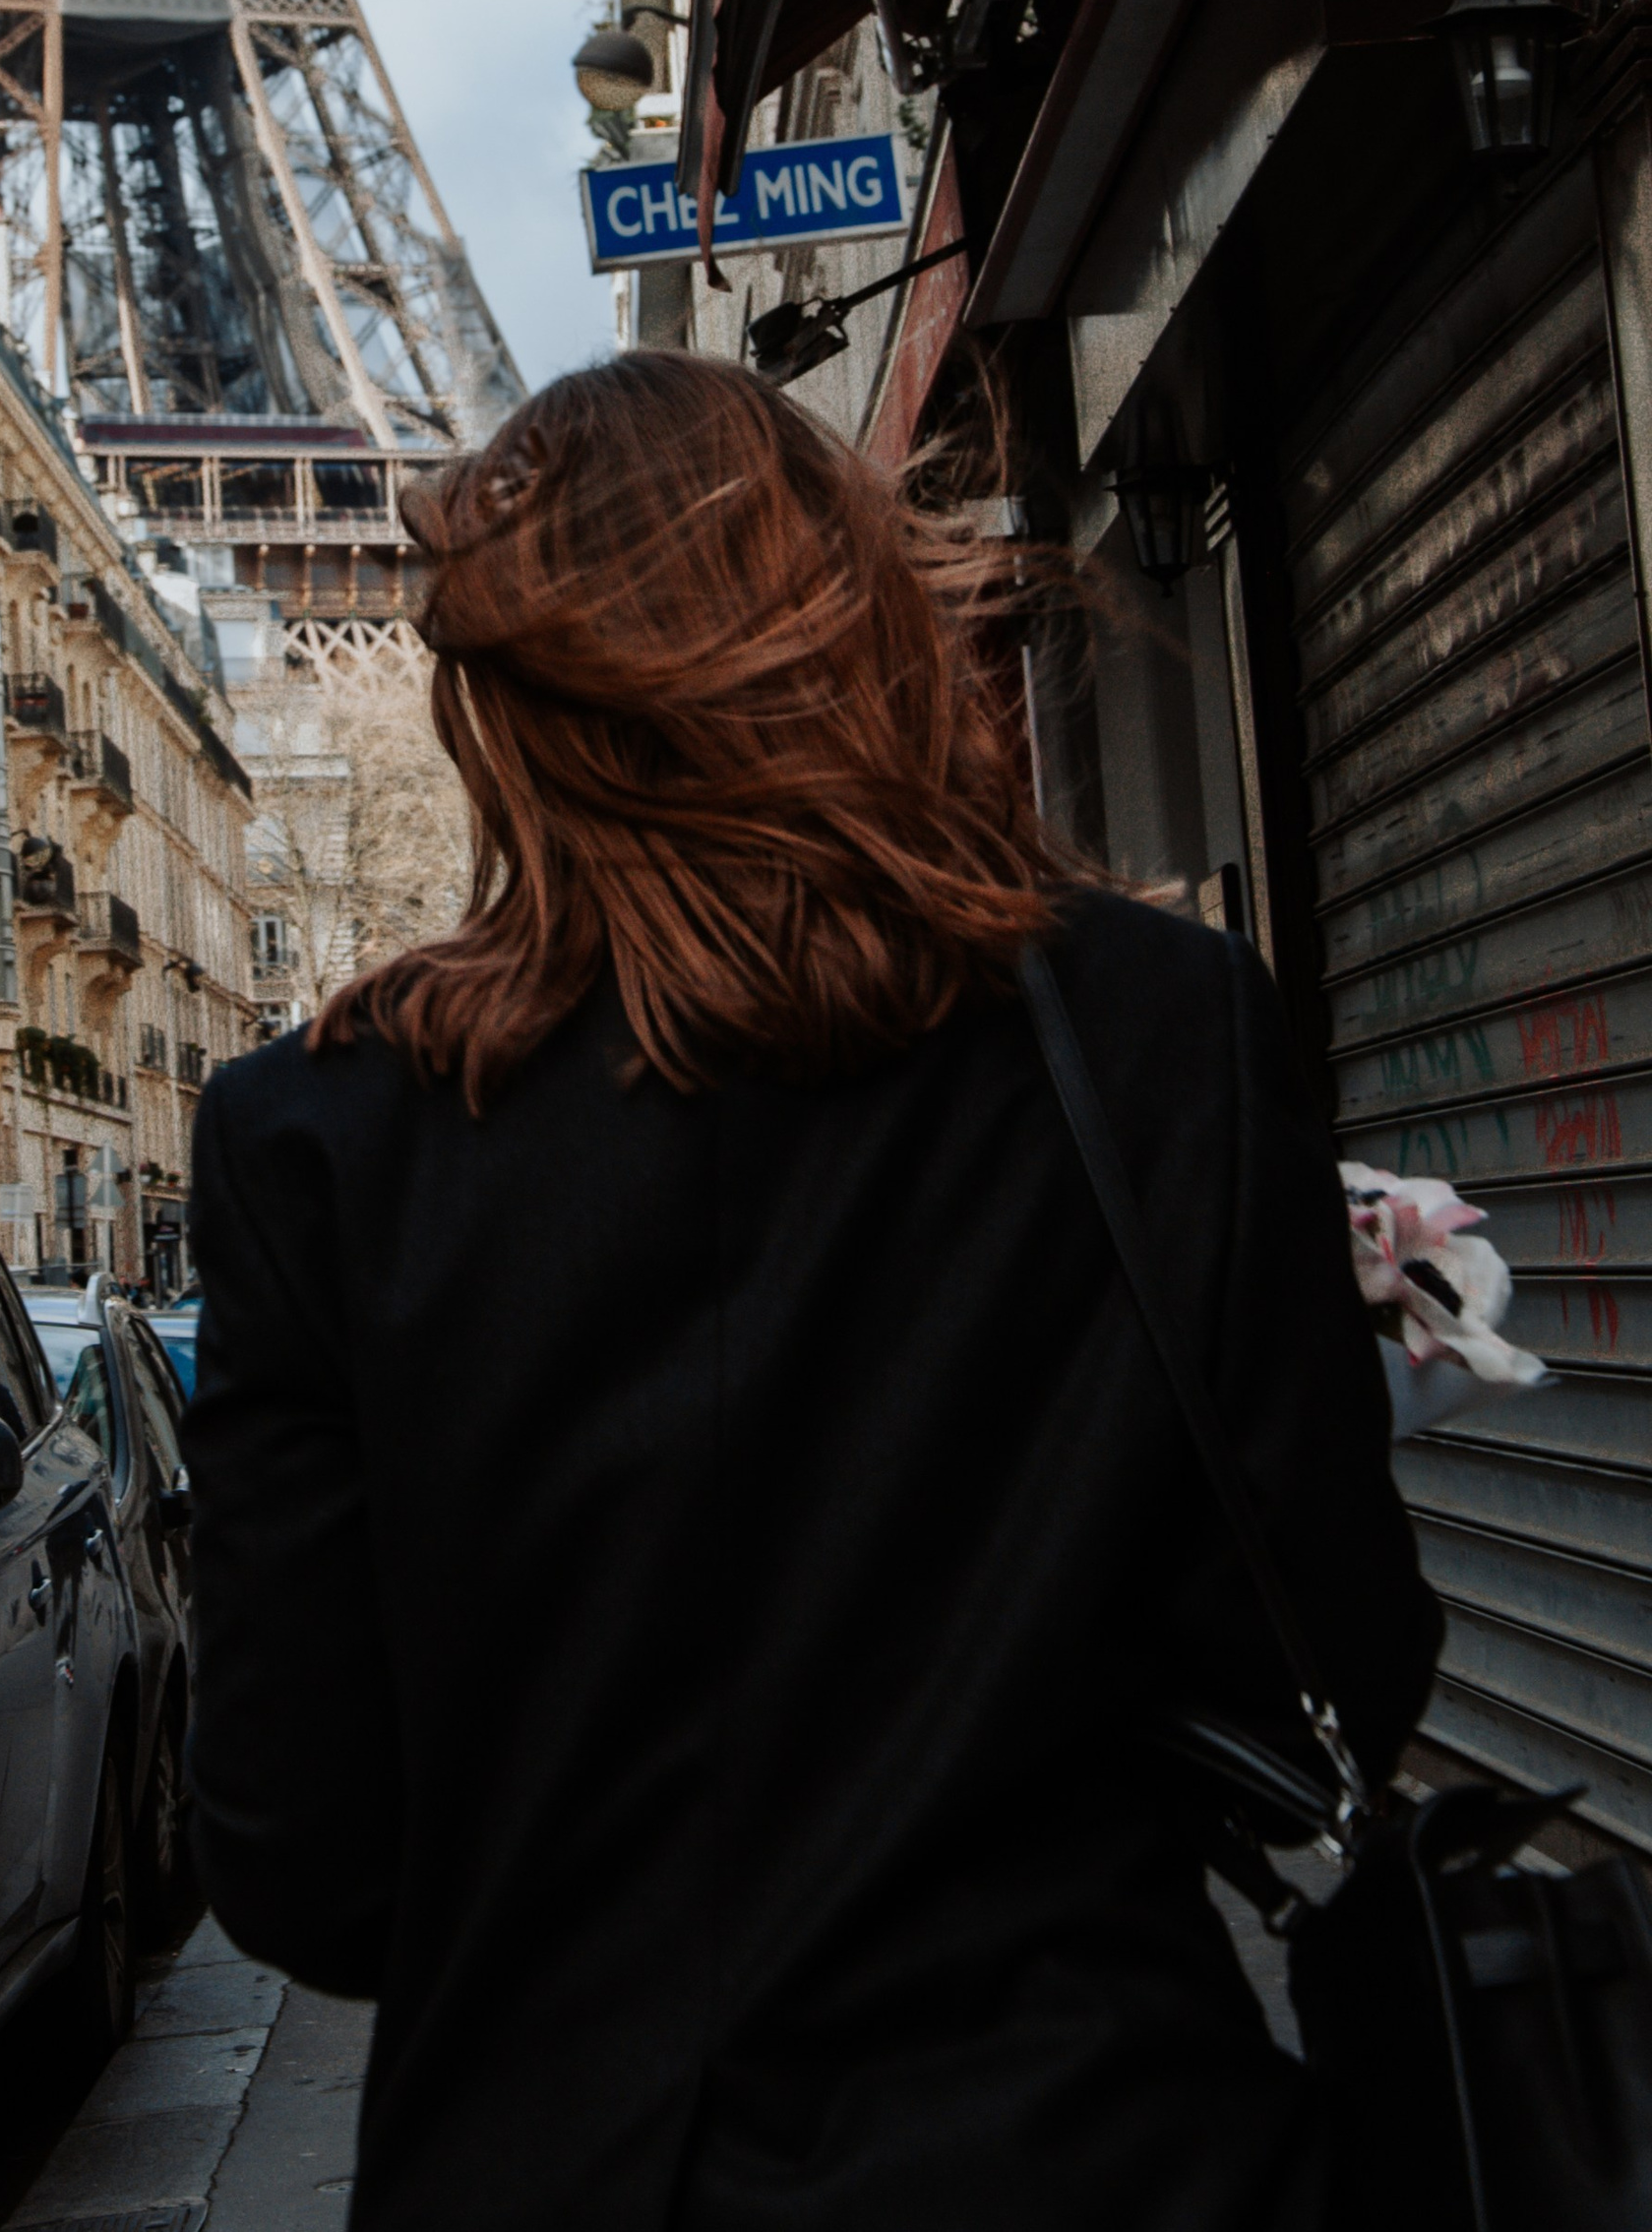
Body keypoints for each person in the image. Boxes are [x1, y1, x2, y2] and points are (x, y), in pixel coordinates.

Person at [183, 350, 1439, 2232]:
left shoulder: (319, 1136)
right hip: (1098, 2150)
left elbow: (300, 1856)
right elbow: (1344, 1654)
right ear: (856, 626)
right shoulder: (1154, 1034)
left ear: (500, 710)